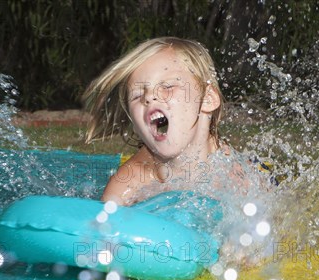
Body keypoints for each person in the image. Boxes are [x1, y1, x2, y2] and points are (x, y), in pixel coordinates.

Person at [82, 36, 251, 206]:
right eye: (138, 95)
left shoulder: (237, 177)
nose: (148, 97)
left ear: (207, 99)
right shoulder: (128, 185)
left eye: (168, 87)